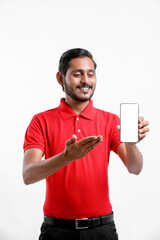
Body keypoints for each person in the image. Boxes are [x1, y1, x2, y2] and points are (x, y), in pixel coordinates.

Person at [23, 48, 149, 240]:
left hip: (102, 229)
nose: (85, 80)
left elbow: (135, 168)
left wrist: (131, 144)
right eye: (77, 74)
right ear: (60, 78)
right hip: (56, 231)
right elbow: (28, 175)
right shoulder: (41, 121)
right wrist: (67, 157)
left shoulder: (110, 121)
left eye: (91, 74)